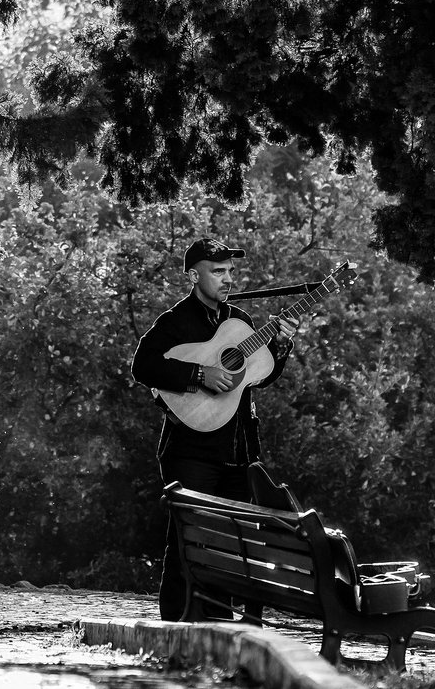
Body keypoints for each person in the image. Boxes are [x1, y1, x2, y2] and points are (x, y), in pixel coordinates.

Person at [131, 237, 299, 621]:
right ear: (194, 275)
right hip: (190, 450)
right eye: (217, 271)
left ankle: (220, 624)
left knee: (232, 543)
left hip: (239, 449)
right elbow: (143, 366)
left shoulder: (241, 322)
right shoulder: (175, 322)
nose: (227, 280)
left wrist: (283, 344)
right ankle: (177, 624)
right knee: (188, 537)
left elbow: (256, 376)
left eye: (231, 272)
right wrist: (198, 373)